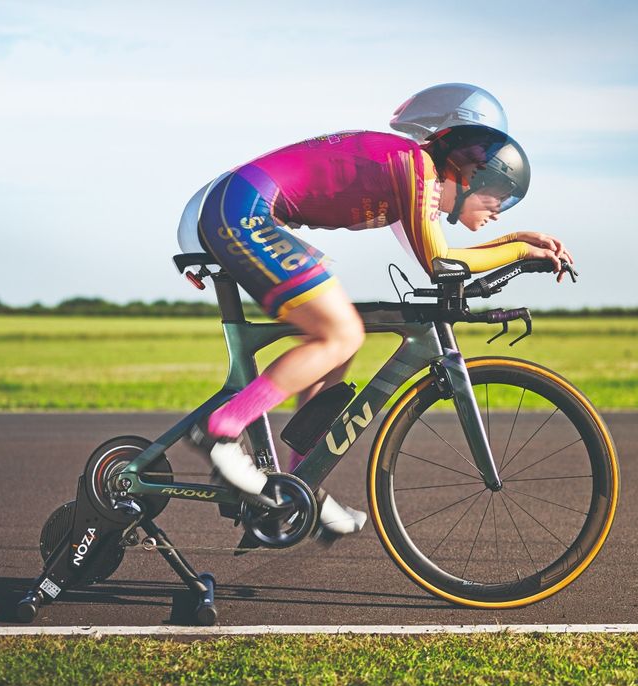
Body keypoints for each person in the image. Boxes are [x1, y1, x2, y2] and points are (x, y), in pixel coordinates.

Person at [186, 122, 574, 536]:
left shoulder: (412, 175)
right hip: (243, 211)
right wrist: (517, 249)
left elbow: (437, 256)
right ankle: (222, 429)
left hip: (246, 207)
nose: (498, 210)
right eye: (496, 196)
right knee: (340, 333)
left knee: (342, 342)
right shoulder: (415, 168)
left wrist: (515, 241)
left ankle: (299, 484)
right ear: (467, 175)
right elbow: (439, 262)